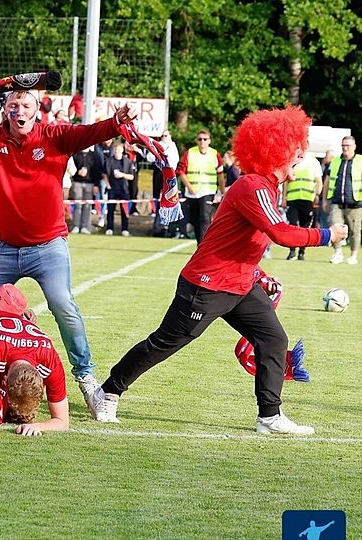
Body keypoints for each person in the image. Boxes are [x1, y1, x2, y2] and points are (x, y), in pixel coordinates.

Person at [91, 106, 349, 435]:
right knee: (165, 343)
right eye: (296, 150)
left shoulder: (267, 187)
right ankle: (108, 390)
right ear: (277, 150)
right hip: (207, 285)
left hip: (240, 283)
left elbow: (243, 243)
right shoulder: (253, 186)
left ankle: (269, 416)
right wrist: (328, 235)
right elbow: (282, 234)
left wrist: (258, 274)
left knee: (273, 338)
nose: (301, 155)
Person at [0, 90, 134, 407]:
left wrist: (115, 122)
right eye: (13, 105)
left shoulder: (55, 136)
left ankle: (87, 380)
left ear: (37, 111)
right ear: (5, 110)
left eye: (26, 105)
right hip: (2, 246)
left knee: (63, 306)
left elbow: (91, 132)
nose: (19, 111)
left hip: (48, 246)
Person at [177, 129, 225, 244]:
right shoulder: (190, 153)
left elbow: (220, 174)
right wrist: (189, 186)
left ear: (209, 141)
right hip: (192, 193)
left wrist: (222, 191)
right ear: (196, 141)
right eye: (200, 139)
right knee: (195, 220)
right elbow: (180, 171)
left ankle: (204, 245)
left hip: (208, 191)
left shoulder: (215, 154)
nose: (202, 142)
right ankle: (200, 244)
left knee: (205, 218)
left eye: (205, 139)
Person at [321, 135, 360, 265]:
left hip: (355, 203)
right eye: (343, 145)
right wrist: (325, 200)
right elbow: (327, 180)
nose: (345, 148)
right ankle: (338, 253)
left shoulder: (360, 161)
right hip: (336, 202)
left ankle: (353, 255)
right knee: (335, 226)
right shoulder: (336, 161)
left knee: (355, 231)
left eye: (348, 145)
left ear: (354, 147)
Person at [283, 154, 323, 260]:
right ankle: (292, 251)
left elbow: (319, 181)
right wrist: (283, 198)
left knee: (305, 227)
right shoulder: (291, 159)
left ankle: (302, 251)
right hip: (292, 198)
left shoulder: (313, 161)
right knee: (292, 225)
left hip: (308, 199)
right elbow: (286, 181)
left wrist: (317, 196)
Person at [103, 140, 136, 236]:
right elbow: (104, 174)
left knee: (124, 209)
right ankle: (109, 228)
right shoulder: (109, 161)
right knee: (110, 209)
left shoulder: (128, 162)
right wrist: (108, 185)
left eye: (119, 150)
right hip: (112, 188)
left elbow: (132, 177)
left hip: (123, 189)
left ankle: (125, 229)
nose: (117, 152)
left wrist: (122, 175)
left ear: (122, 150)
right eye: (116, 150)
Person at [70, 146, 102, 234]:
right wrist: (77, 173)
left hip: (90, 184)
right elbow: (70, 169)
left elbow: (97, 171)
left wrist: (96, 185)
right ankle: (76, 226)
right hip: (77, 183)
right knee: (78, 206)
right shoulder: (75, 154)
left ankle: (85, 227)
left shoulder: (95, 155)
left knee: (87, 206)